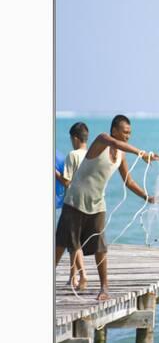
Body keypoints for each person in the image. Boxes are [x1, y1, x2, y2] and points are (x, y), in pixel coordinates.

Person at [55, 114, 159, 301]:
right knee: (62, 245)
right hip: (75, 202)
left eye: (130, 133)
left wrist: (148, 197)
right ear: (114, 130)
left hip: (97, 205)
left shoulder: (121, 155)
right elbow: (116, 143)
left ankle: (104, 288)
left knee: (101, 247)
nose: (128, 136)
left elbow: (128, 181)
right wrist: (141, 153)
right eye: (125, 132)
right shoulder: (102, 140)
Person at [55, 122, 90, 289]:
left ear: (75, 138)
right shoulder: (92, 154)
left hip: (72, 204)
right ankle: (73, 277)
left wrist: (55, 173)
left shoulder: (73, 155)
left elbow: (67, 181)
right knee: (73, 242)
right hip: (89, 203)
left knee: (72, 242)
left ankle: (82, 276)